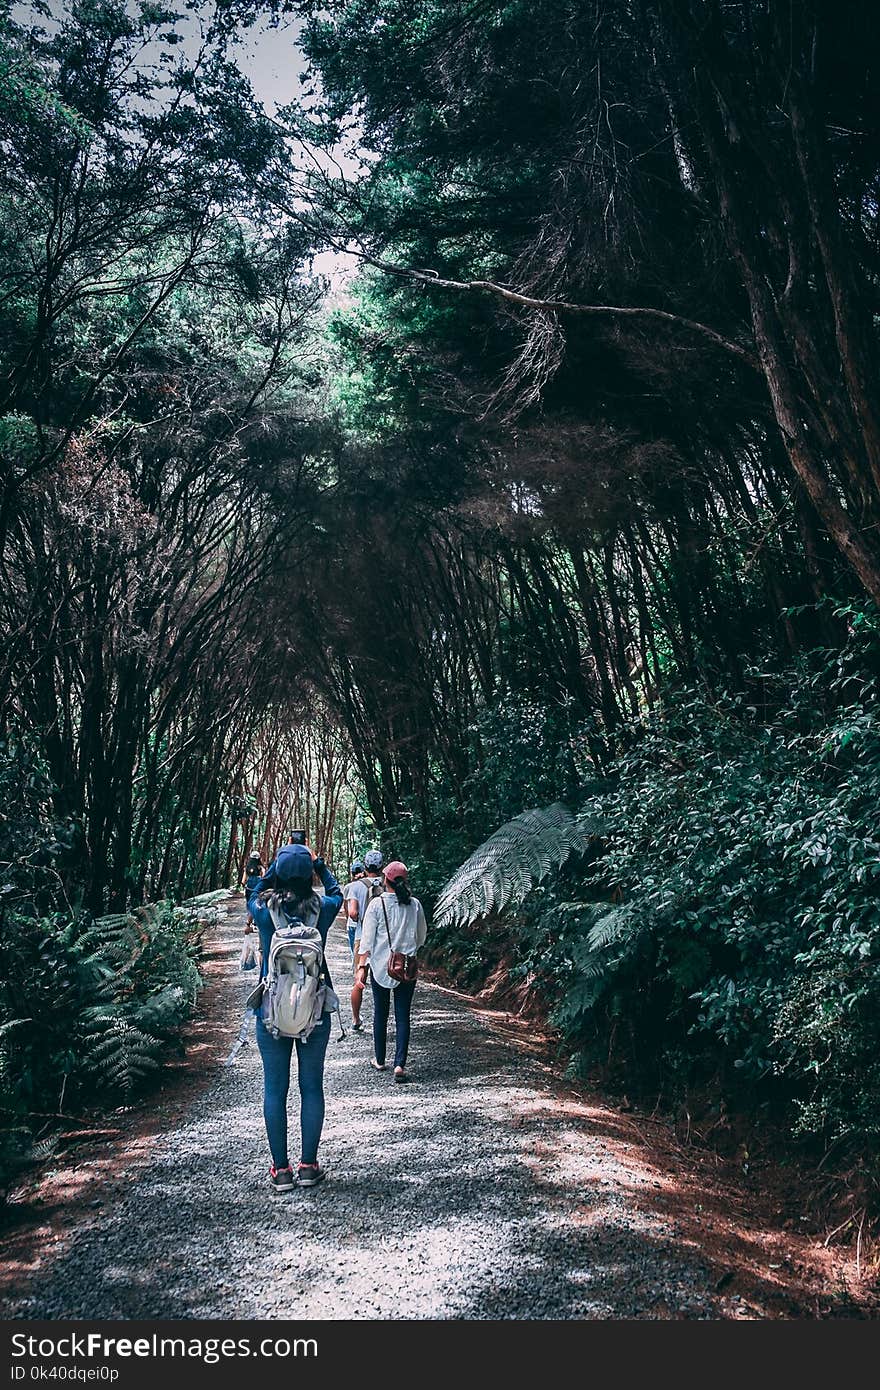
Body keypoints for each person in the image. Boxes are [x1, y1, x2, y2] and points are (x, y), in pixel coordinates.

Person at [248, 840, 343, 1194]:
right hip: (314, 1012)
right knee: (311, 1088)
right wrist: (320, 866)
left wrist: (271, 868)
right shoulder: (324, 909)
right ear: (309, 875)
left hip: (271, 1012)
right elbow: (336, 890)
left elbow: (253, 889)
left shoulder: (263, 910)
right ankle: (308, 1166)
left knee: (275, 1089)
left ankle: (280, 1170)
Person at [356, 859, 427, 1083]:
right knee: (403, 1014)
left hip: (381, 966)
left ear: (385, 880)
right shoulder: (414, 904)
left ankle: (379, 1059)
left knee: (381, 1013)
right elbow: (421, 936)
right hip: (406, 966)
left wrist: (362, 966)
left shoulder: (377, 905)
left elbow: (366, 942)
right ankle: (399, 1064)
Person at [346, 850, 384, 1032]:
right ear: (381, 866)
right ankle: (381, 1019)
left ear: (365, 866)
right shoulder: (387, 884)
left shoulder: (356, 886)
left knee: (359, 979)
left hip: (362, 938)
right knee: (382, 981)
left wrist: (360, 919)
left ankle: (355, 1018)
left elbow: (352, 912)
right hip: (383, 940)